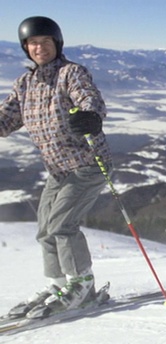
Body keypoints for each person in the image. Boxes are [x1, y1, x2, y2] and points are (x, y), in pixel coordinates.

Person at [0, 16, 111, 317]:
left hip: (88, 164)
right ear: (26, 48)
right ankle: (58, 285)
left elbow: (90, 99)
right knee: (45, 232)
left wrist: (91, 117)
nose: (39, 48)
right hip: (58, 171)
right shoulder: (25, 84)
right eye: (33, 43)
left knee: (62, 225)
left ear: (56, 44)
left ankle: (82, 284)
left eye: (45, 42)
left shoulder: (71, 73)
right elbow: (6, 119)